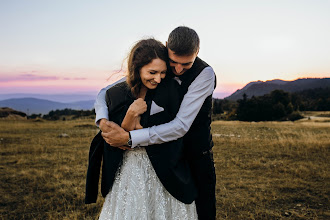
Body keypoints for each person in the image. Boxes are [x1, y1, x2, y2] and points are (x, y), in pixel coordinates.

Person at [95, 26, 216, 220]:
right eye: (174, 62)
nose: (177, 69)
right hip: (165, 152)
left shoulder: (204, 74)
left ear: (197, 53)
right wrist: (102, 120)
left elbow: (181, 126)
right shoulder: (157, 62)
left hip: (195, 152)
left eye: (186, 64)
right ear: (167, 47)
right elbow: (105, 92)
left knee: (203, 210)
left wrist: (129, 138)